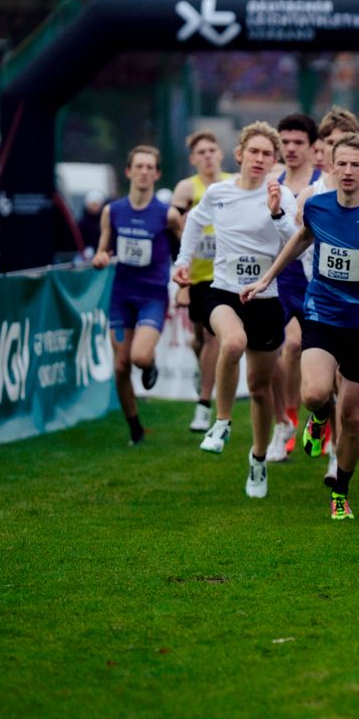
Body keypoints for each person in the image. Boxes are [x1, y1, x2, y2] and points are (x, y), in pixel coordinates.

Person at [245, 132, 359, 521]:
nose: (348, 171)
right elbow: (301, 239)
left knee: (353, 417)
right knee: (315, 394)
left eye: (356, 165)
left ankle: (341, 490)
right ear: (331, 166)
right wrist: (267, 278)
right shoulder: (317, 206)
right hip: (323, 313)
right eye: (342, 164)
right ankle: (318, 419)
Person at [172, 124, 295, 499]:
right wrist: (183, 260)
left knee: (259, 389)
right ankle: (221, 421)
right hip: (221, 291)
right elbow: (193, 221)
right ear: (239, 154)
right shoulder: (218, 192)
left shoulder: (281, 194)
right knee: (232, 342)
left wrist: (275, 214)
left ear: (274, 162)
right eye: (254, 152)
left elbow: (295, 242)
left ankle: (258, 459)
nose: (260, 160)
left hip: (265, 298)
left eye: (267, 155)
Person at [91, 145, 169, 444]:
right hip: (122, 297)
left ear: (157, 174)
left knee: (138, 356)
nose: (144, 172)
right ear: (129, 171)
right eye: (139, 166)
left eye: (150, 167)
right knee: (121, 365)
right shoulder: (113, 211)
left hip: (152, 297)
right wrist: (100, 257)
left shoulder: (167, 215)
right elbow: (103, 248)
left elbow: (180, 251)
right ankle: (135, 427)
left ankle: (149, 365)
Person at [267, 113, 323, 465]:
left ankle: (320, 421)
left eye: (297, 142)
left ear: (313, 147)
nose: (290, 148)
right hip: (282, 277)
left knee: (321, 358)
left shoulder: (323, 185)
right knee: (286, 348)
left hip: (317, 280)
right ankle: (284, 423)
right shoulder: (271, 181)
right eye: (284, 142)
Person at [170, 130, 231, 432]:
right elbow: (173, 220)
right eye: (201, 152)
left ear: (221, 153)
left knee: (212, 338)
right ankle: (204, 374)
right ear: (193, 159)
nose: (208, 156)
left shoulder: (234, 183)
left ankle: (203, 406)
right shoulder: (187, 187)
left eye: (212, 150)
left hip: (224, 275)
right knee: (199, 340)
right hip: (197, 275)